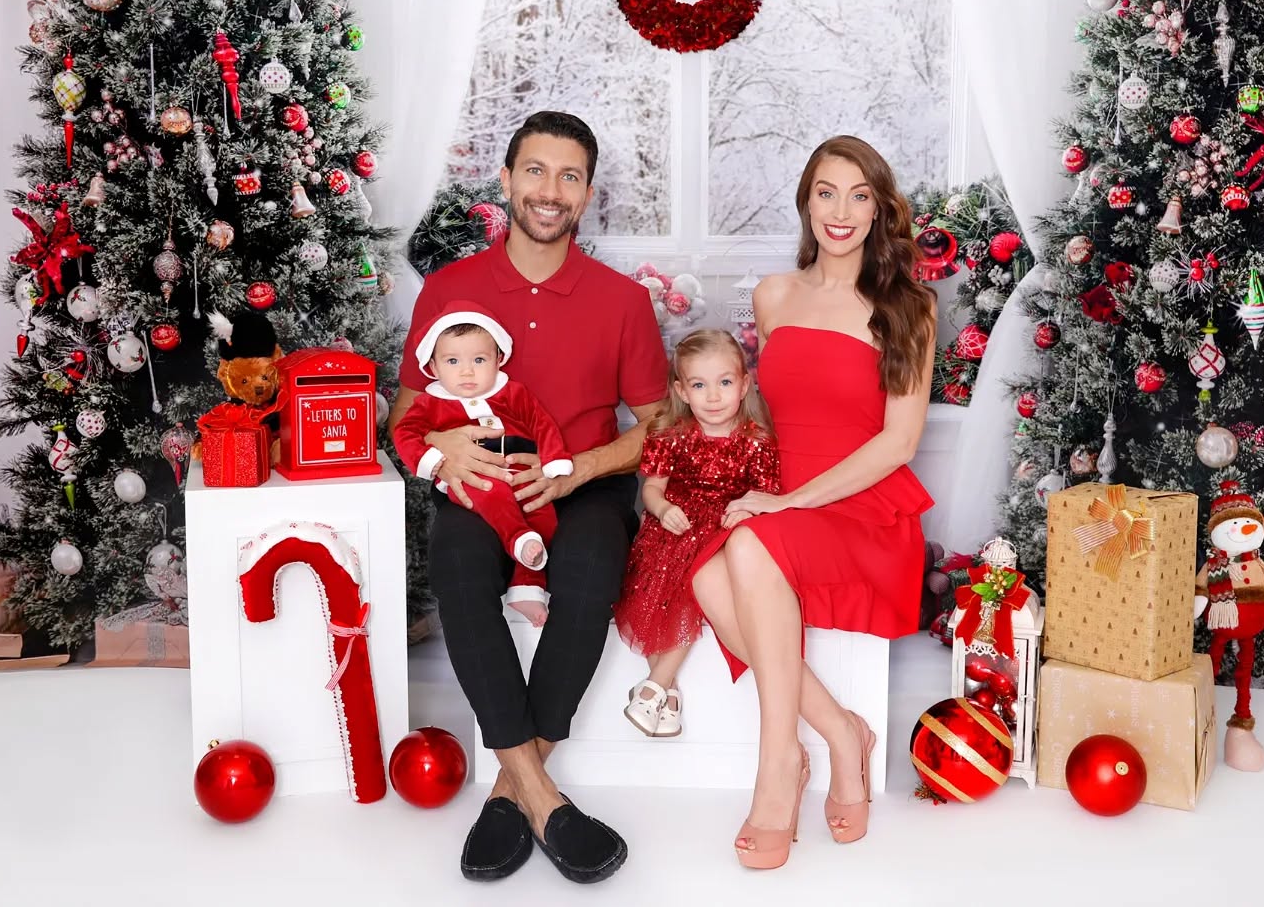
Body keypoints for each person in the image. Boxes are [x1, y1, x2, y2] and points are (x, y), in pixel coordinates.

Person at [388, 112, 667, 885]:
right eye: (536, 171)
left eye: (569, 175)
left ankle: (510, 792)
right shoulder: (450, 289)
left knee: (588, 576)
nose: (551, 190)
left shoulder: (622, 301)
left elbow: (657, 427)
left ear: (586, 192)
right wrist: (441, 444)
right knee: (455, 569)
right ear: (506, 180)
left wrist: (577, 470)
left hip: (584, 482)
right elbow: (403, 411)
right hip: (482, 484)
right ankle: (546, 798)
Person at [689, 135, 936, 870]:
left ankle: (776, 774)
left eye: (860, 195)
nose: (841, 211)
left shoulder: (906, 308)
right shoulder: (773, 295)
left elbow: (897, 444)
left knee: (743, 548)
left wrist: (786, 502)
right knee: (705, 574)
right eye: (826, 191)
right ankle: (839, 731)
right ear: (805, 200)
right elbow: (767, 411)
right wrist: (741, 486)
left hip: (863, 501)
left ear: (879, 209)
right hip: (784, 496)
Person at [612, 329, 779, 738]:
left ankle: (655, 686)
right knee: (655, 584)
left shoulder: (755, 441)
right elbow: (651, 488)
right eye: (700, 385)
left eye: (725, 382)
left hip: (719, 532)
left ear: (744, 384)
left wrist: (743, 511)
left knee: (692, 583)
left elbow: (765, 496)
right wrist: (663, 507)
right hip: (673, 526)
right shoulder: (672, 434)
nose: (714, 396)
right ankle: (666, 692)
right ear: (682, 391)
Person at [392, 302, 574, 625]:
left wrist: (554, 459)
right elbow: (406, 433)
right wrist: (432, 460)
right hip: (470, 476)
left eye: (479, 360)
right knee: (492, 493)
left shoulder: (513, 393)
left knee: (544, 514)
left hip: (518, 468)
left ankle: (527, 586)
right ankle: (516, 535)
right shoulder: (431, 402)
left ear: (498, 359)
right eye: (452, 361)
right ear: (433, 368)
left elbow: (541, 422)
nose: (467, 371)